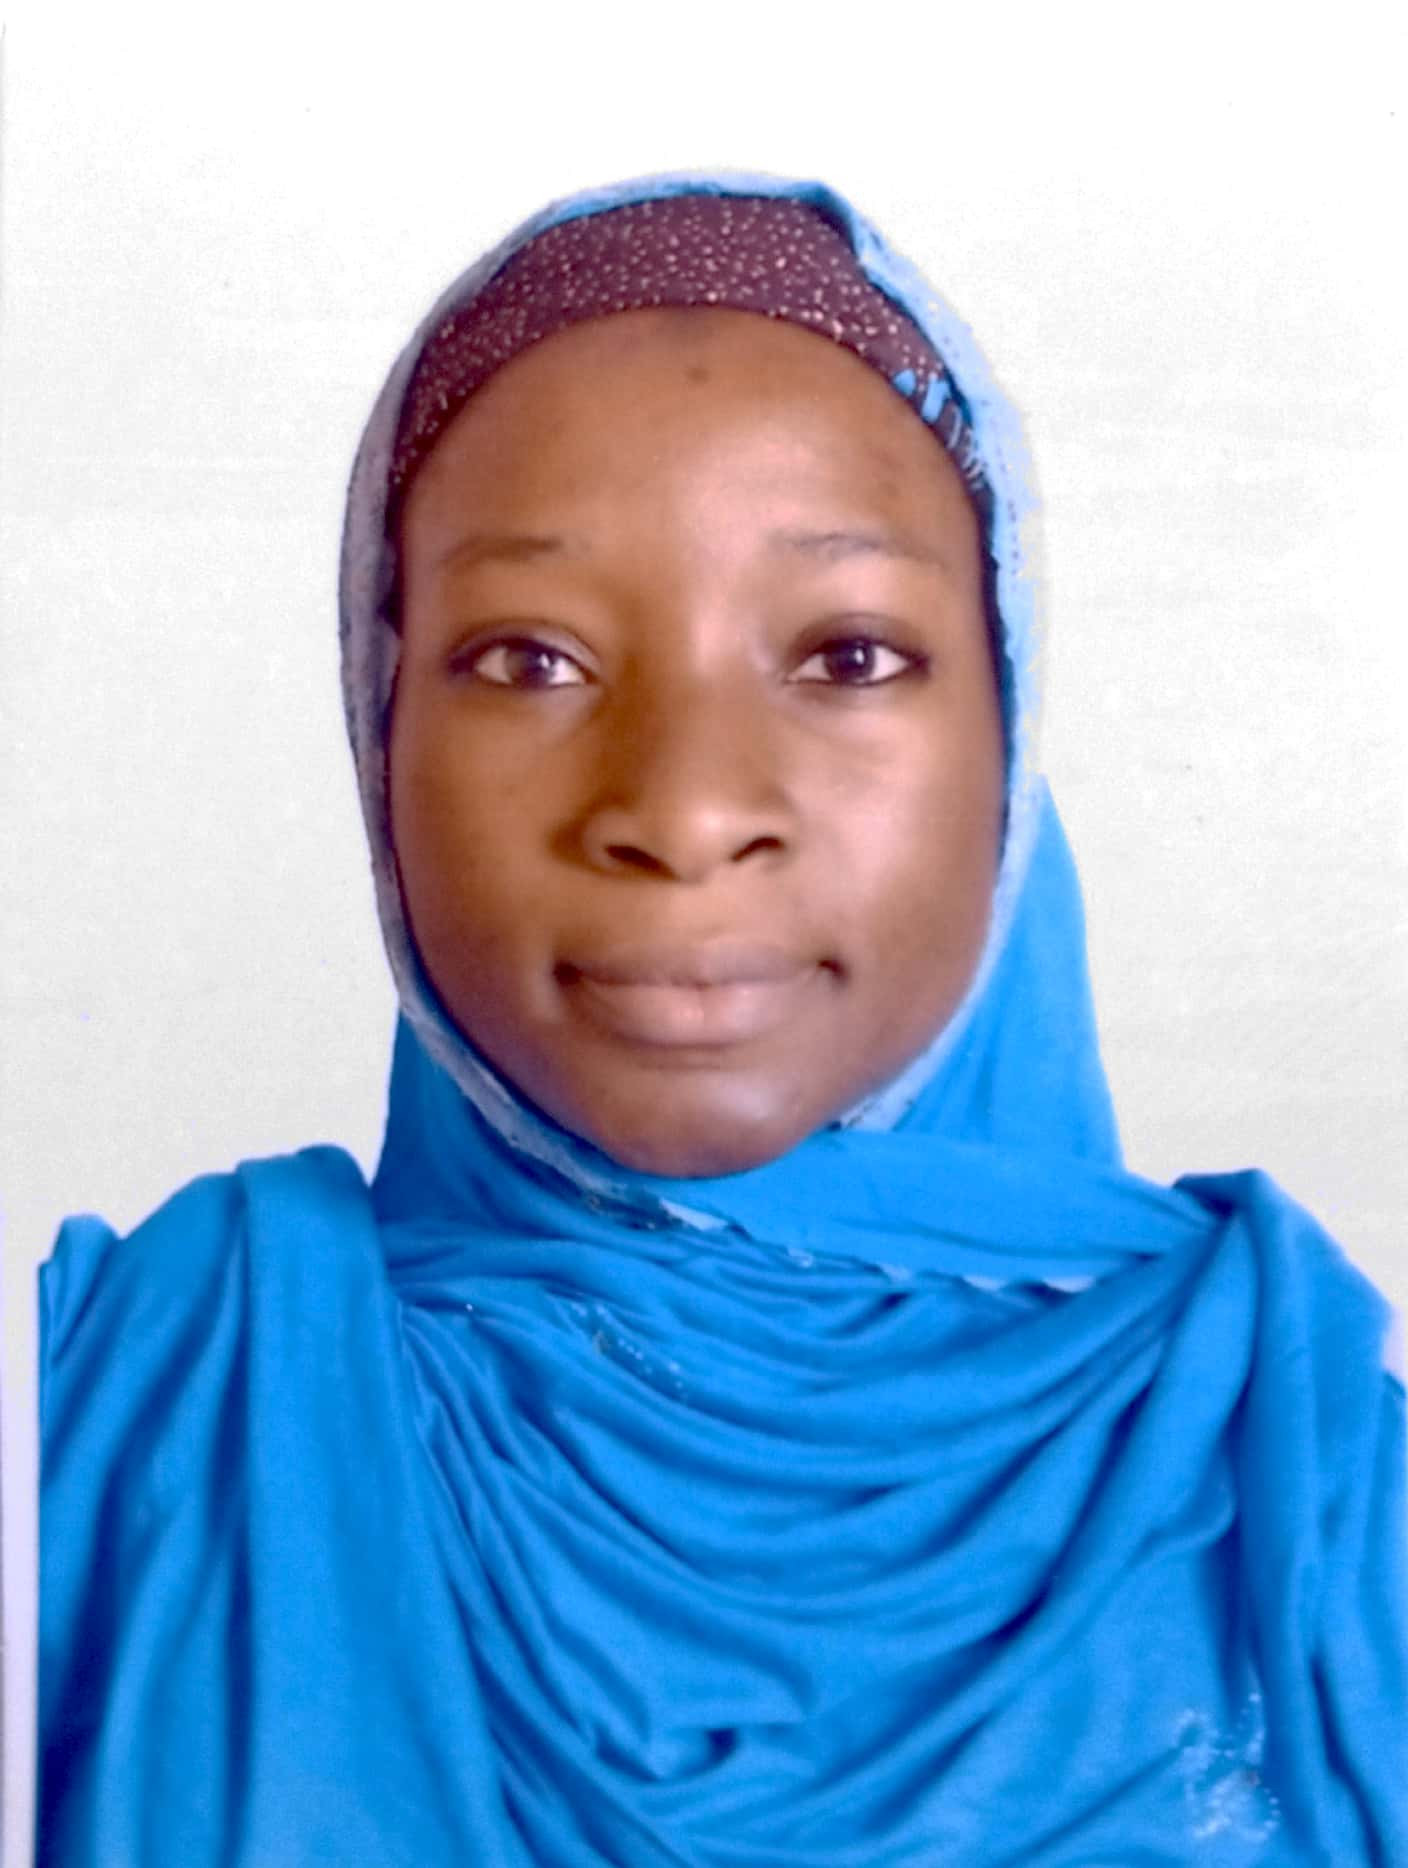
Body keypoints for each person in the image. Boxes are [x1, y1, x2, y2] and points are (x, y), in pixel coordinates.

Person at [37, 173, 1405, 1866]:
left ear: (1009, 735)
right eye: (530, 660)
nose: (684, 810)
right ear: (382, 735)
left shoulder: (1323, 1476)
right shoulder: (110, 1429)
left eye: (848, 657)